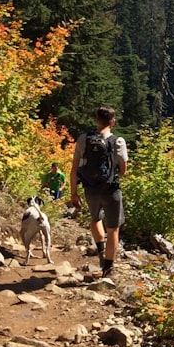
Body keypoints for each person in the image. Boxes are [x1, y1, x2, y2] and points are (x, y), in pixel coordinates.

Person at [69, 106, 128, 278]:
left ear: (96, 120)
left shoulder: (84, 139)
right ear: (113, 122)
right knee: (113, 229)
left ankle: (101, 251)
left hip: (90, 189)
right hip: (111, 191)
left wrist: (74, 193)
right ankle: (108, 269)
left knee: (95, 219)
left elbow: (74, 169)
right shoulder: (118, 141)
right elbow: (123, 171)